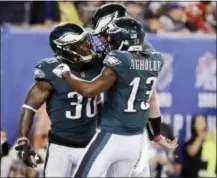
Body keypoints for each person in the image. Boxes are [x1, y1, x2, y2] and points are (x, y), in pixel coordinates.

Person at [53, 17, 178, 177]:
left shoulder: (119, 61)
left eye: (111, 39)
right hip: (135, 142)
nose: (107, 43)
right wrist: (156, 135)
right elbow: (152, 100)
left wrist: (66, 74)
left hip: (112, 137)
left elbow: (89, 90)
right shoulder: (153, 60)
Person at [15, 22, 103, 177]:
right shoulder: (51, 71)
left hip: (91, 144)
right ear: (66, 50)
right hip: (60, 147)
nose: (87, 45)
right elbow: (29, 107)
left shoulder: (99, 64)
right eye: (79, 44)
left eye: (85, 40)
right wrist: (23, 140)